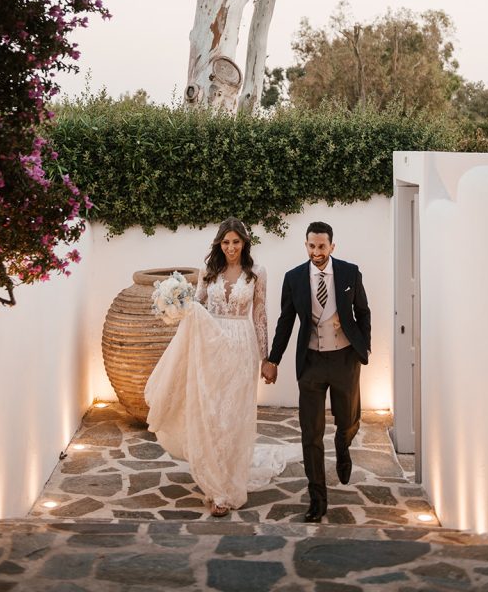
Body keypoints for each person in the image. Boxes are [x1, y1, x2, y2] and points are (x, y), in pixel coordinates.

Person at [144, 217, 269, 517]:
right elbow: (196, 305)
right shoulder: (208, 272)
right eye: (225, 242)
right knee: (212, 415)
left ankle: (228, 482)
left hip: (242, 348)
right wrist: (174, 303)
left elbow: (261, 316)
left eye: (236, 242)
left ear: (245, 243)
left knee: (234, 417)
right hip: (211, 348)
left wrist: (267, 359)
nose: (231, 247)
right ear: (219, 244)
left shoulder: (257, 273)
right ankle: (215, 486)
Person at [261, 221, 371, 522]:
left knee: (348, 420)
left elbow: (362, 312)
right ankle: (317, 499)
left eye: (322, 246)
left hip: (345, 359)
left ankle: (343, 443)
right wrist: (274, 358)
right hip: (310, 362)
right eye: (311, 246)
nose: (316, 251)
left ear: (331, 246)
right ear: (306, 245)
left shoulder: (350, 272)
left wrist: (366, 347)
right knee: (311, 434)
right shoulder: (295, 278)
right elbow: (286, 322)